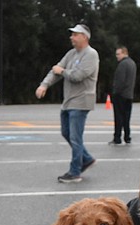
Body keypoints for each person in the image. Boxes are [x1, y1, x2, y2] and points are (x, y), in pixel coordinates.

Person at [35, 23, 99, 184]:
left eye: (75, 34)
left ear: (84, 37)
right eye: (71, 34)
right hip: (68, 102)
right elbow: (55, 70)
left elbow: (78, 76)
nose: (71, 37)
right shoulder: (71, 54)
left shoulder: (91, 55)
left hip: (81, 101)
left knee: (75, 138)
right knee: (66, 133)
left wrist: (62, 71)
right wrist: (44, 84)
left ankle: (75, 172)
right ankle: (86, 159)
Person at [109, 46, 136, 145]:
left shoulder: (123, 64)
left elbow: (120, 81)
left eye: (118, 54)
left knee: (118, 117)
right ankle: (127, 137)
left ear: (124, 53)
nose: (117, 56)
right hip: (129, 95)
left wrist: (115, 92)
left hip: (120, 95)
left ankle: (117, 137)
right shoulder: (132, 63)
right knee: (127, 117)